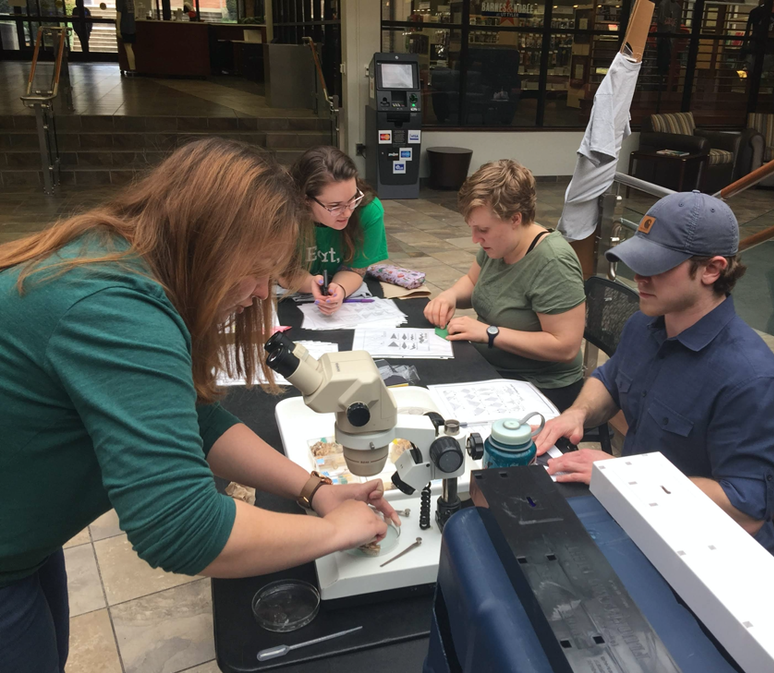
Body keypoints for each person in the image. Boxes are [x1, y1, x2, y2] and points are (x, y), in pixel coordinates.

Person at [0, 138, 397, 673]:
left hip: (22, 543)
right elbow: (181, 527)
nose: (262, 292)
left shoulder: (123, 256)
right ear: (209, 241)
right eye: (257, 270)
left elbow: (195, 418)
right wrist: (334, 533)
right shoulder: (115, 311)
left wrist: (316, 490)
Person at [535, 191, 774, 552]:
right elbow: (611, 379)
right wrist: (576, 413)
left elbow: (747, 510)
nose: (640, 276)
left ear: (712, 269)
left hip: (703, 552)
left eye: (658, 265)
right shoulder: (645, 325)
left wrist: (623, 475)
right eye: (638, 261)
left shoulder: (753, 382)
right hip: (636, 513)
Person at [424, 160, 586, 412]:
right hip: (493, 367)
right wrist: (450, 296)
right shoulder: (500, 245)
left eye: (483, 230)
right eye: (472, 228)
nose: (475, 239)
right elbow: (472, 281)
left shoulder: (553, 262)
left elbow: (565, 346)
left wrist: (489, 333)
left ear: (515, 219)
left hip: (542, 386)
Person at [285, 146, 388, 316]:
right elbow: (283, 270)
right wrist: (311, 282)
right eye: (335, 206)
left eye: (353, 199)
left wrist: (339, 288)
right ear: (305, 200)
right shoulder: (283, 213)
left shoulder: (368, 211)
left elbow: (356, 269)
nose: (347, 212)